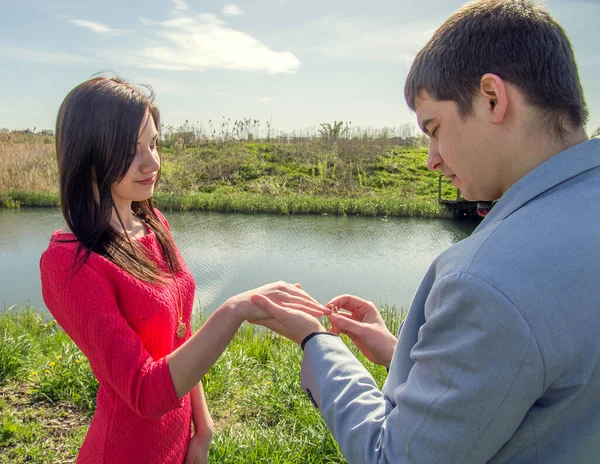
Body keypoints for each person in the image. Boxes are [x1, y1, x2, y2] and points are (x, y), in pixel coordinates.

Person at [251, 0, 600, 462]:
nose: (432, 158)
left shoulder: (487, 280)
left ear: (492, 98)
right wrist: (405, 354)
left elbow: (391, 456)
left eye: (433, 128)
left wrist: (317, 343)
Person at [39, 77, 325, 464]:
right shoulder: (70, 263)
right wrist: (234, 310)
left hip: (178, 438)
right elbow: (144, 394)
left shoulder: (153, 223)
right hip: (125, 451)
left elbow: (180, 337)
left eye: (154, 144)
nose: (153, 162)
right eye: (131, 148)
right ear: (89, 151)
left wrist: (203, 431)